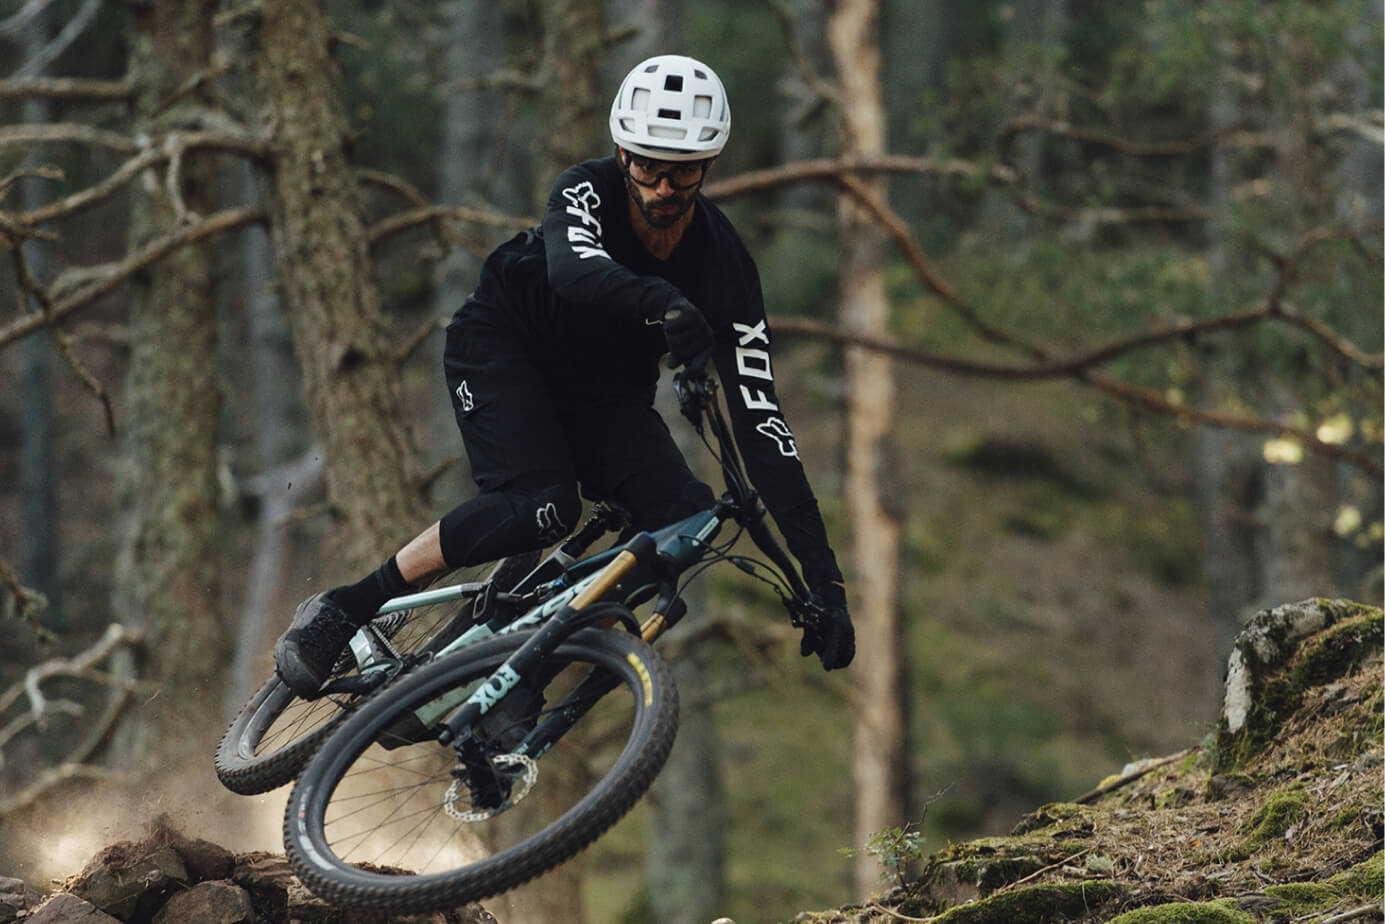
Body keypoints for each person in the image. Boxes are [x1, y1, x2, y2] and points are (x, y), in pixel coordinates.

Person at [274, 54, 853, 698]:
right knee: (541, 507)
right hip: (506, 345)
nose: (664, 188)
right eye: (648, 166)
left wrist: (825, 585)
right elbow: (573, 272)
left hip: (604, 395)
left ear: (709, 165)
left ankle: (523, 685)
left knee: (685, 524)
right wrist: (662, 301)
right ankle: (345, 608)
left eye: (683, 170)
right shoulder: (586, 188)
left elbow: (766, 431)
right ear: (622, 153)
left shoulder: (726, 272)